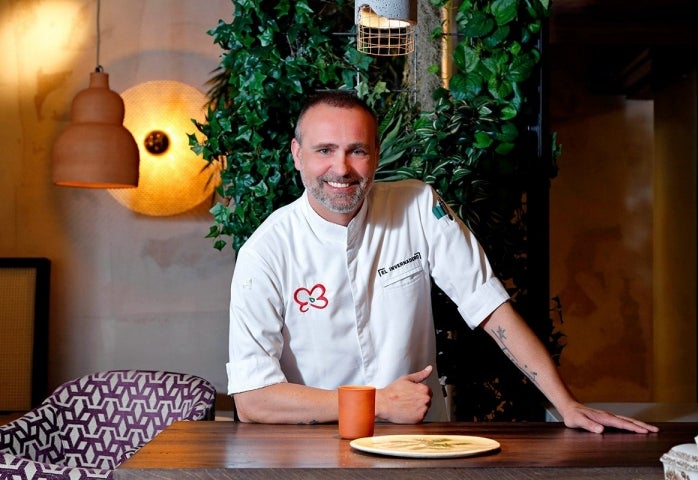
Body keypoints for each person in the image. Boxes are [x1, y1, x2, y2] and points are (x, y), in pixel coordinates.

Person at [226, 91, 658, 434]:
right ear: (297, 154)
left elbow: (488, 305)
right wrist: (377, 403)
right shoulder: (265, 252)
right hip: (314, 448)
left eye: (356, 150)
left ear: (375, 154)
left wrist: (565, 404)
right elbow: (252, 399)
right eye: (324, 150)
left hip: (420, 442)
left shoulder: (417, 204)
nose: (341, 167)